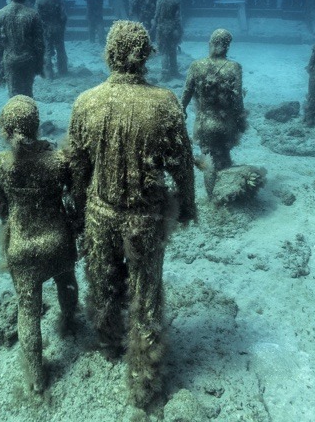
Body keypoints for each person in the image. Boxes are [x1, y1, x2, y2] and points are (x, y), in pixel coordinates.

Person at [66, 21, 196, 411]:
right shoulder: (165, 103)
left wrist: (76, 210)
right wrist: (187, 205)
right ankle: (144, 380)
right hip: (146, 217)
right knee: (147, 293)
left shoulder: (85, 102)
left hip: (100, 212)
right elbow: (183, 164)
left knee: (103, 283)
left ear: (110, 54)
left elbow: (76, 165)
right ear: (146, 55)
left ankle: (109, 343)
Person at [0, 95, 79, 394]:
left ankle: (37, 376)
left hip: (23, 248)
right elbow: (74, 195)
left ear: (6, 128)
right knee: (66, 282)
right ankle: (69, 323)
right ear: (36, 124)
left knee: (28, 309)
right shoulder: (58, 160)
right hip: (59, 241)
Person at [181, 29, 247, 196]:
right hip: (225, 123)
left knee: (208, 162)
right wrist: (240, 121)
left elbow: (187, 92)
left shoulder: (196, 66)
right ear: (227, 47)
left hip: (203, 123)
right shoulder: (234, 67)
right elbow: (238, 99)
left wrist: (182, 110)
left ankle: (211, 197)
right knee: (224, 158)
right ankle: (225, 196)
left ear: (210, 43)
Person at [0, 0, 45, 98]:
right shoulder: (33, 15)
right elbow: (39, 43)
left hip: (10, 61)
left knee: (13, 94)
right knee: (27, 93)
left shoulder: (1, 14)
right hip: (28, 60)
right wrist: (40, 64)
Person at [34, 0, 68, 79]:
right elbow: (63, 17)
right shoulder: (58, 0)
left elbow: (37, 17)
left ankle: (49, 74)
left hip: (46, 29)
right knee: (60, 49)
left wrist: (40, 28)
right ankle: (63, 70)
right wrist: (62, 27)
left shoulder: (39, 1)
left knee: (47, 50)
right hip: (57, 28)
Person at [152, 0, 183, 80]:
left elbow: (157, 15)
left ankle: (165, 74)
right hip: (173, 28)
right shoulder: (177, 0)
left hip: (162, 29)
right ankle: (174, 71)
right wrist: (179, 30)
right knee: (173, 50)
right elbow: (178, 17)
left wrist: (153, 26)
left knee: (164, 51)